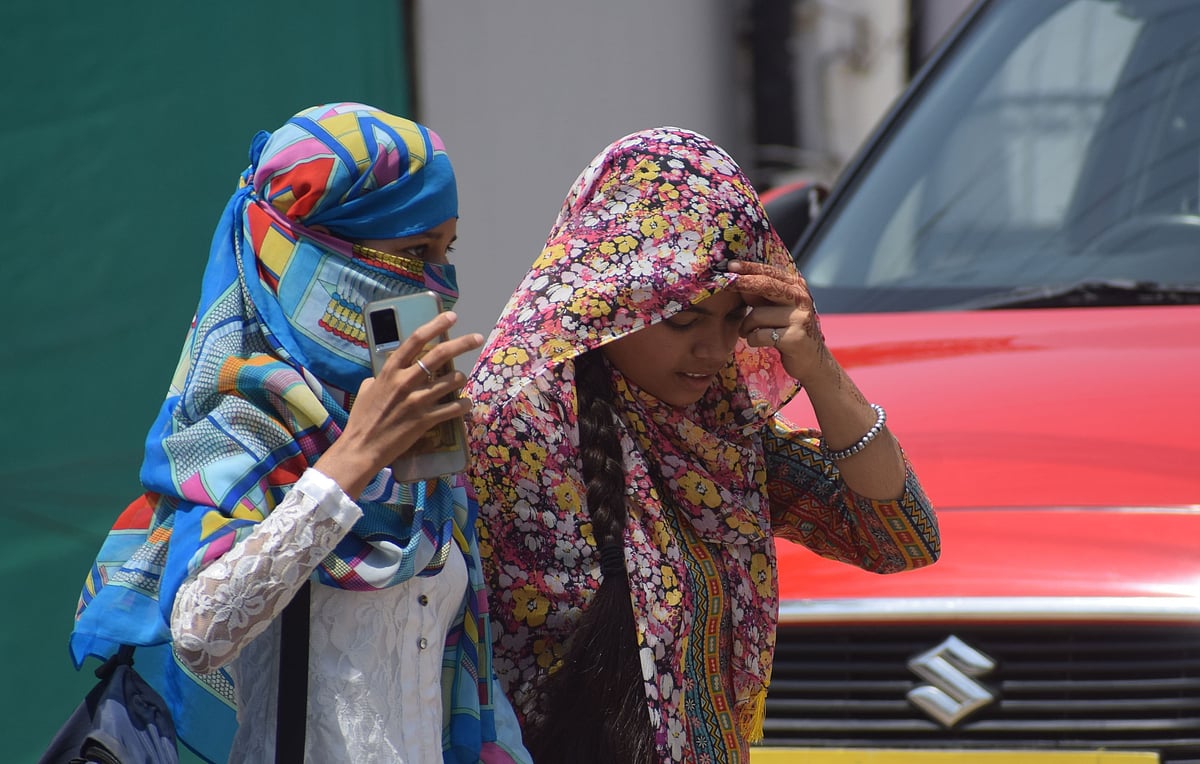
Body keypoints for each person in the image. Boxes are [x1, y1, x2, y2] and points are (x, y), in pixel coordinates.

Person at [68, 102, 530, 764]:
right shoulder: (245, 422)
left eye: (445, 251)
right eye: (412, 253)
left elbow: (458, 673)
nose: (439, 285)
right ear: (319, 255)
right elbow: (200, 629)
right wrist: (349, 463)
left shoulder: (421, 445)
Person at [465, 127, 941, 763]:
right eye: (684, 320)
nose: (714, 351)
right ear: (609, 299)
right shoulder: (510, 423)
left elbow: (896, 536)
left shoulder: (718, 430)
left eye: (731, 321)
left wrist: (820, 369)